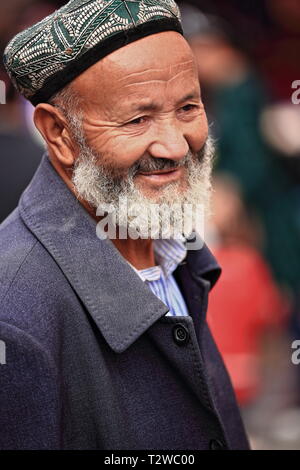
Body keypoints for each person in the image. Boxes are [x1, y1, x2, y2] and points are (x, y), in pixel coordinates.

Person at [0, 0, 249, 450]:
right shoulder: (14, 316)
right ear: (59, 134)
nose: (175, 145)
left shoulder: (175, 249)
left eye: (189, 108)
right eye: (138, 120)